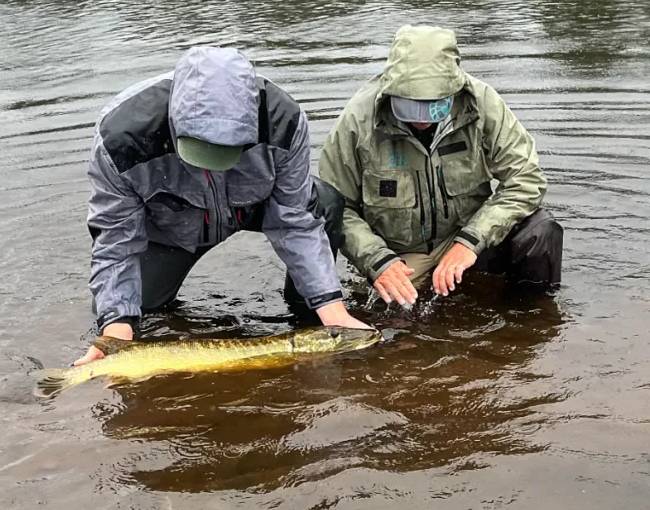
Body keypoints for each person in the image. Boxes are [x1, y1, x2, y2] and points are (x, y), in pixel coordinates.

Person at [74, 45, 372, 366]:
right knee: (125, 312)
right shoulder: (121, 139)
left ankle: (309, 312)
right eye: (201, 149)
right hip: (172, 226)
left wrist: (332, 307)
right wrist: (117, 325)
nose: (213, 164)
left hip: (251, 205)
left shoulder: (282, 121)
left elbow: (295, 219)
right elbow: (116, 242)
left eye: (226, 152)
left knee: (324, 201)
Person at [318, 25, 563, 308]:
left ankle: (531, 318)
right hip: (400, 255)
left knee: (540, 230)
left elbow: (526, 180)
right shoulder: (356, 121)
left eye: (433, 105)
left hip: (470, 236)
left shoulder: (483, 103)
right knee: (388, 315)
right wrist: (377, 260)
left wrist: (470, 241)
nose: (422, 119)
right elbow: (336, 207)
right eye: (410, 106)